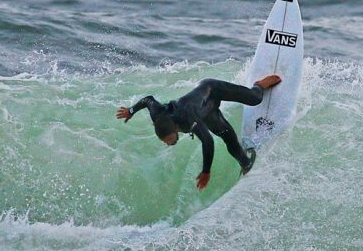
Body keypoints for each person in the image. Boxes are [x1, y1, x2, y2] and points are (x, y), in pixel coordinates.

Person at [116, 75, 281, 190]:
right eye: (165, 141)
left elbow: (207, 141)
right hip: (207, 111)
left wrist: (206, 171)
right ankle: (246, 165)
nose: (167, 143)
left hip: (212, 89)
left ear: (175, 129)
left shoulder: (188, 118)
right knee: (229, 138)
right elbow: (148, 100)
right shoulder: (158, 115)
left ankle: (259, 84)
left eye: (168, 139)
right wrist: (131, 110)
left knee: (255, 99)